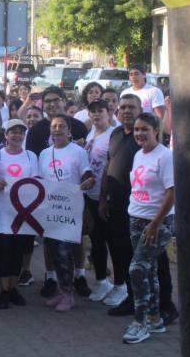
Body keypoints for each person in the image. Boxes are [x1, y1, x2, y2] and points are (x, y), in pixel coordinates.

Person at [98, 95, 178, 323]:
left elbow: (170, 187)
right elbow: (108, 167)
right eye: (122, 107)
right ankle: (133, 298)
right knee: (123, 253)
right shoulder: (115, 135)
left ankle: (165, 305)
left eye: (131, 107)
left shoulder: (148, 142)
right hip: (124, 207)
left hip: (150, 213)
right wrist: (103, 198)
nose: (125, 111)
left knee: (154, 261)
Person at [121, 113, 175, 344]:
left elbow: (171, 192)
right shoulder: (137, 155)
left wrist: (155, 223)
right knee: (149, 270)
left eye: (145, 129)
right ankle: (154, 318)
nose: (140, 134)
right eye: (137, 130)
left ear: (156, 130)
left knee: (137, 268)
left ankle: (140, 322)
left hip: (157, 222)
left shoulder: (165, 156)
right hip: (136, 218)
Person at [38, 115, 95, 312]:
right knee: (54, 250)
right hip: (50, 209)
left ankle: (69, 294)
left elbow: (87, 174)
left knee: (65, 252)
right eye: (54, 126)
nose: (57, 129)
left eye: (62, 126)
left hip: (70, 208)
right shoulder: (44, 154)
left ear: (69, 131)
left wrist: (88, 181)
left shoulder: (78, 152)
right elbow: (40, 180)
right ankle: (62, 290)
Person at [0, 119, 37, 309]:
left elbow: (36, 181)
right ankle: (4, 290)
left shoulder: (30, 156)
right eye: (13, 132)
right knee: (4, 250)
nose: (17, 136)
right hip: (2, 210)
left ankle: (14, 289)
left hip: (23, 212)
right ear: (6, 135)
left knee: (18, 251)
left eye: (20, 132)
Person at [83, 100, 117, 303]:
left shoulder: (114, 134)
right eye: (92, 111)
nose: (96, 115)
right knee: (96, 242)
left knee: (112, 241)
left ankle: (119, 284)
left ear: (109, 112)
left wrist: (105, 196)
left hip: (107, 198)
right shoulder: (91, 133)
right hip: (91, 196)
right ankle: (102, 280)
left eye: (100, 111)